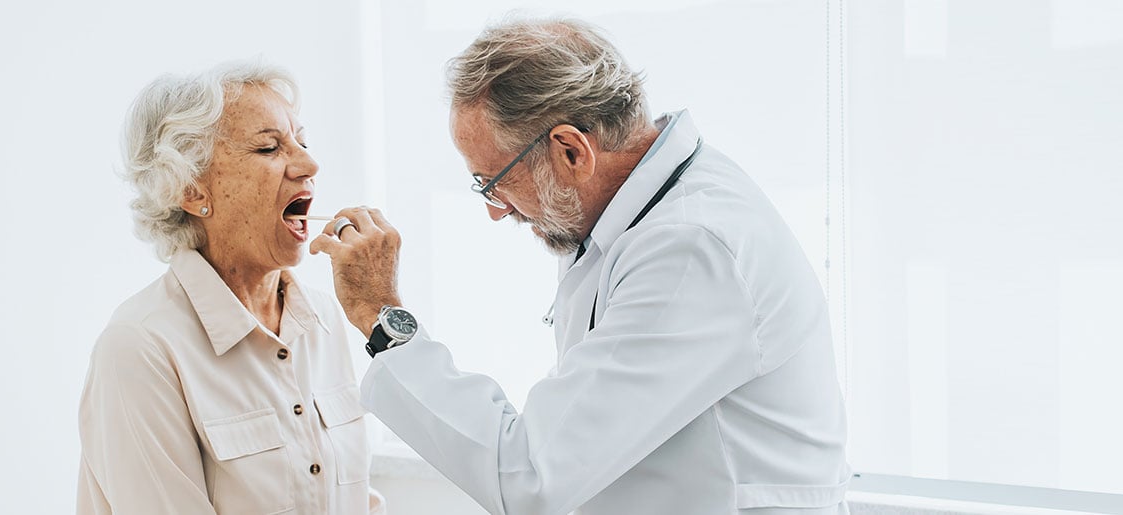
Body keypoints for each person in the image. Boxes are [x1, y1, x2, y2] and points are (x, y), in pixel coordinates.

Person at [310, 17, 849, 514]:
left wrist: (380, 314)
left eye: (494, 183)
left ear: (571, 150)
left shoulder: (690, 250)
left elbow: (532, 477)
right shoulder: (630, 216)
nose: (497, 211)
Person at [77, 59, 384, 515]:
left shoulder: (323, 319)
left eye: (302, 141)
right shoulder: (140, 347)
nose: (309, 163)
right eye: (268, 149)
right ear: (193, 191)